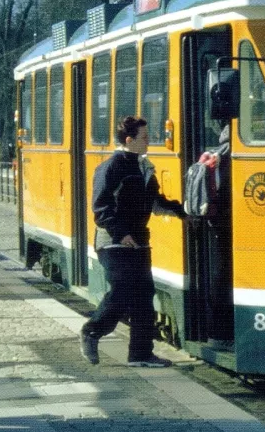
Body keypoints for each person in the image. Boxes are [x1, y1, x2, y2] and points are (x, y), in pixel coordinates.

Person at [80, 116, 186, 368]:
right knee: (123, 291)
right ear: (129, 141)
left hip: (139, 241)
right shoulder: (111, 167)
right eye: (144, 138)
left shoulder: (144, 167)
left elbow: (156, 201)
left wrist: (183, 213)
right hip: (114, 243)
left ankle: (140, 354)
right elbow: (101, 207)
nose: (149, 141)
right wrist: (120, 233)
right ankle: (91, 331)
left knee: (143, 296)